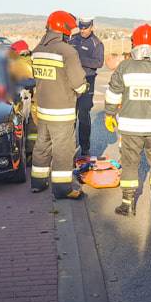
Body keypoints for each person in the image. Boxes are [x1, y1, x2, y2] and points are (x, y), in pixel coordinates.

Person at [104, 24, 151, 217]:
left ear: (134, 44)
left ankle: (127, 204)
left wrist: (109, 114)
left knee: (130, 164)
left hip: (130, 126)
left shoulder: (125, 67)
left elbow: (113, 92)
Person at [30, 11, 86, 200]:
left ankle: (38, 182)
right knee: (63, 150)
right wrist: (83, 88)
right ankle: (63, 189)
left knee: (42, 146)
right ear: (64, 29)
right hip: (62, 111)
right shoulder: (67, 51)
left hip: (43, 109)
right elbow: (79, 84)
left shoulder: (37, 49)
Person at [69, 17, 105, 157]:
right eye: (81, 28)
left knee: (83, 115)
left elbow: (99, 63)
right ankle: (69, 146)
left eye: (85, 28)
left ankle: (85, 147)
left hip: (87, 81)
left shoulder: (96, 43)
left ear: (92, 27)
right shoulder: (73, 39)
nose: (83, 30)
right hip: (71, 81)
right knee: (70, 116)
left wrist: (79, 60)